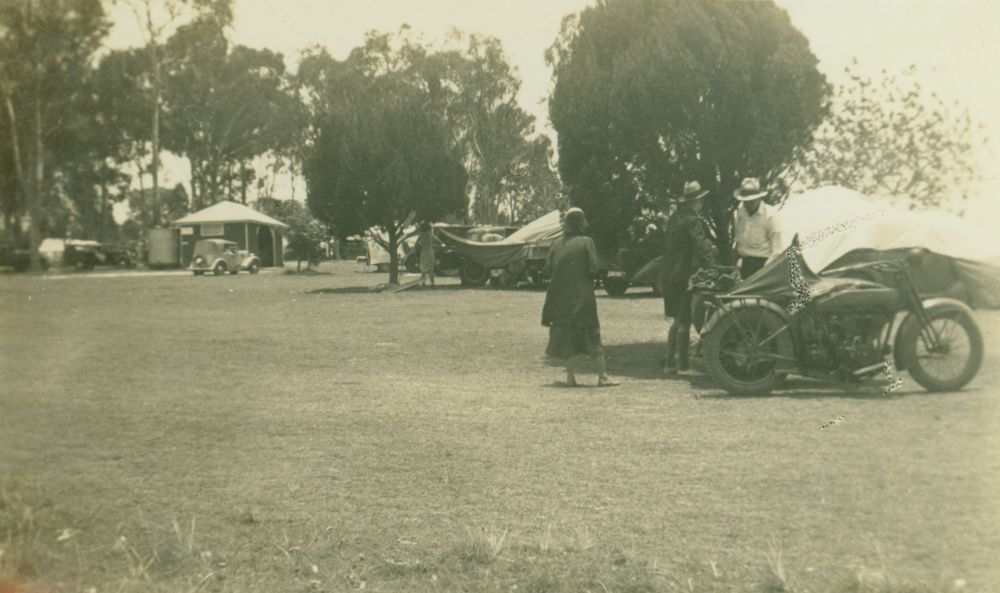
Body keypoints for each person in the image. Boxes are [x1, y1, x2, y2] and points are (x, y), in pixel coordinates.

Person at [541, 207, 617, 387]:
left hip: (560, 298)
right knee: (592, 333)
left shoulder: (556, 243)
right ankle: (602, 376)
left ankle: (570, 377)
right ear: (581, 223)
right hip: (582, 297)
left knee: (568, 337)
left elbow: (547, 268)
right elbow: (595, 267)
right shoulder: (587, 242)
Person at [659, 181, 719, 376]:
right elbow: (701, 246)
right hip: (683, 275)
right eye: (701, 201)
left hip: (668, 274)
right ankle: (682, 365)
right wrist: (712, 268)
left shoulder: (675, 218)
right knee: (684, 320)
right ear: (697, 201)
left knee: (676, 320)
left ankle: (670, 363)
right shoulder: (692, 220)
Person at [732, 177, 783, 279]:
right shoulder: (740, 212)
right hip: (744, 266)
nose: (748, 203)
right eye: (745, 201)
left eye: (752, 200)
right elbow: (738, 242)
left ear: (759, 197)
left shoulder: (771, 215)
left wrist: (764, 273)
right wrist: (736, 265)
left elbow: (777, 251)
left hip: (764, 265)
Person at [414, 221, 436, 287]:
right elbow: (435, 241)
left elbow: (417, 243)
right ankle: (432, 283)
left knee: (423, 268)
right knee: (431, 268)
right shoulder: (431, 235)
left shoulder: (421, 235)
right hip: (430, 251)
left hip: (424, 251)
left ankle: (423, 282)